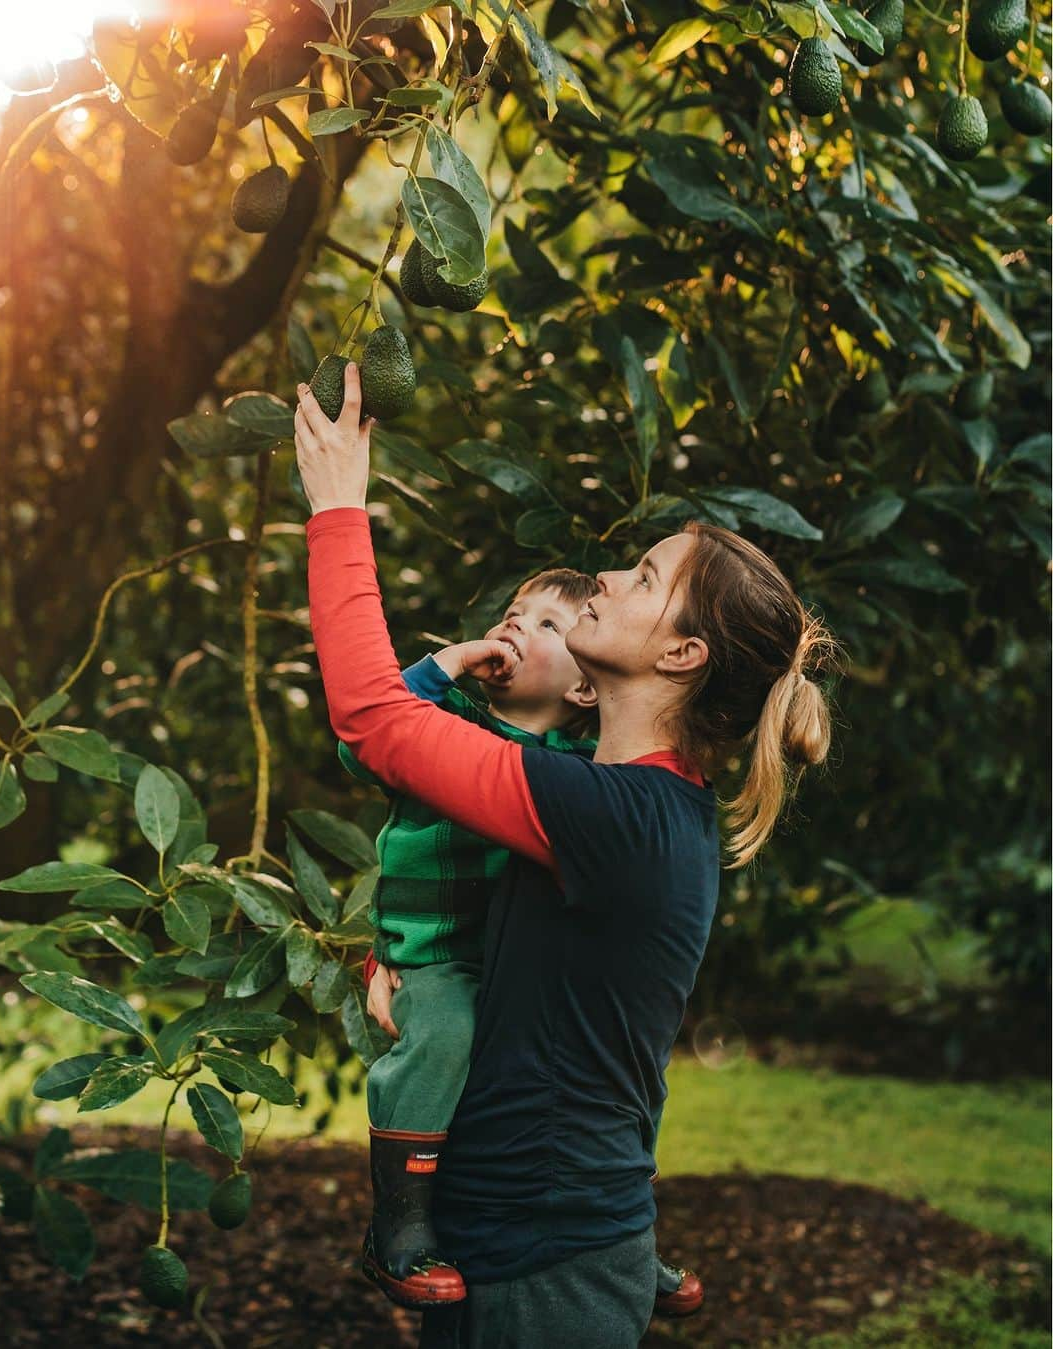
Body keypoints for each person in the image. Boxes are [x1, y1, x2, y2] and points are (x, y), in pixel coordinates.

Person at [295, 367, 834, 1348]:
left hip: (546, 1269)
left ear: (680, 657)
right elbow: (475, 911)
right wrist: (395, 962)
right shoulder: (616, 796)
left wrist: (336, 507)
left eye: (645, 579)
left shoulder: (618, 815)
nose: (613, 579)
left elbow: (373, 718)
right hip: (529, 1244)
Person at [337, 571, 705, 1317]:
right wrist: (444, 662)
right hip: (439, 956)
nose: (515, 627)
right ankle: (398, 1221)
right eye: (513, 613)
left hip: (516, 965)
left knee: (622, 1066)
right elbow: (366, 740)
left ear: (581, 691)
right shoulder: (451, 723)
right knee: (445, 1032)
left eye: (545, 626)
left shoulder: (579, 775)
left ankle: (625, 1230)